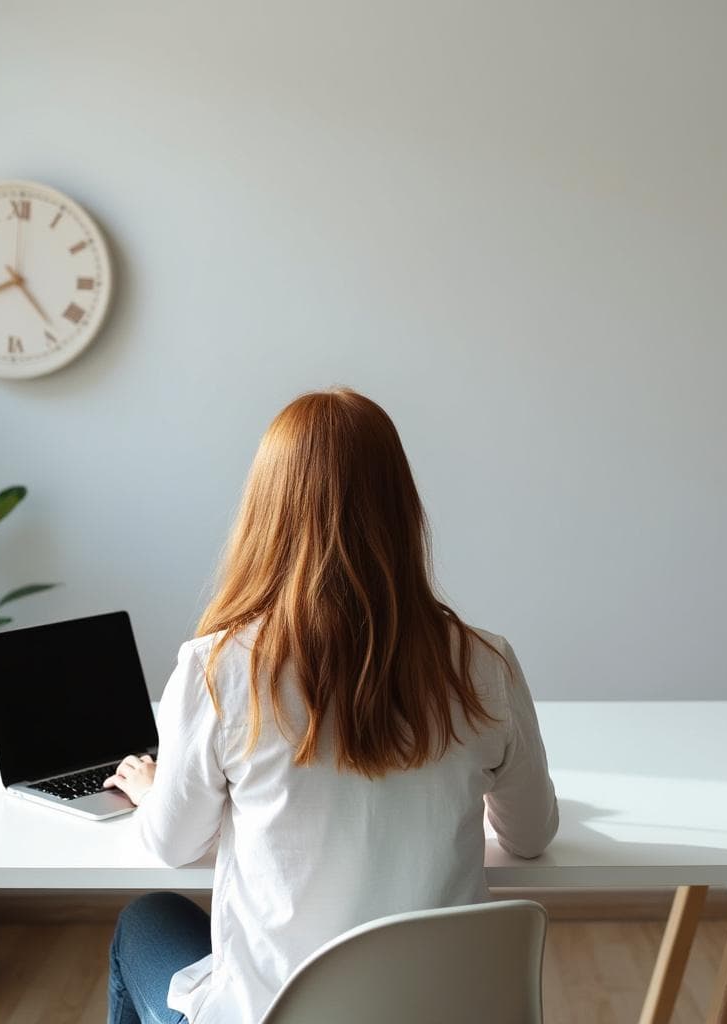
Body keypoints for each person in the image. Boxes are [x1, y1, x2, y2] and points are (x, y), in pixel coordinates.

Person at [103, 387, 559, 1024]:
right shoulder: (483, 662)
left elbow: (174, 846)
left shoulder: (219, 668)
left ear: (268, 511)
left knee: (145, 921)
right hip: (440, 1013)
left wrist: (153, 792)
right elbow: (532, 836)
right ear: (402, 509)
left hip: (272, 1015)